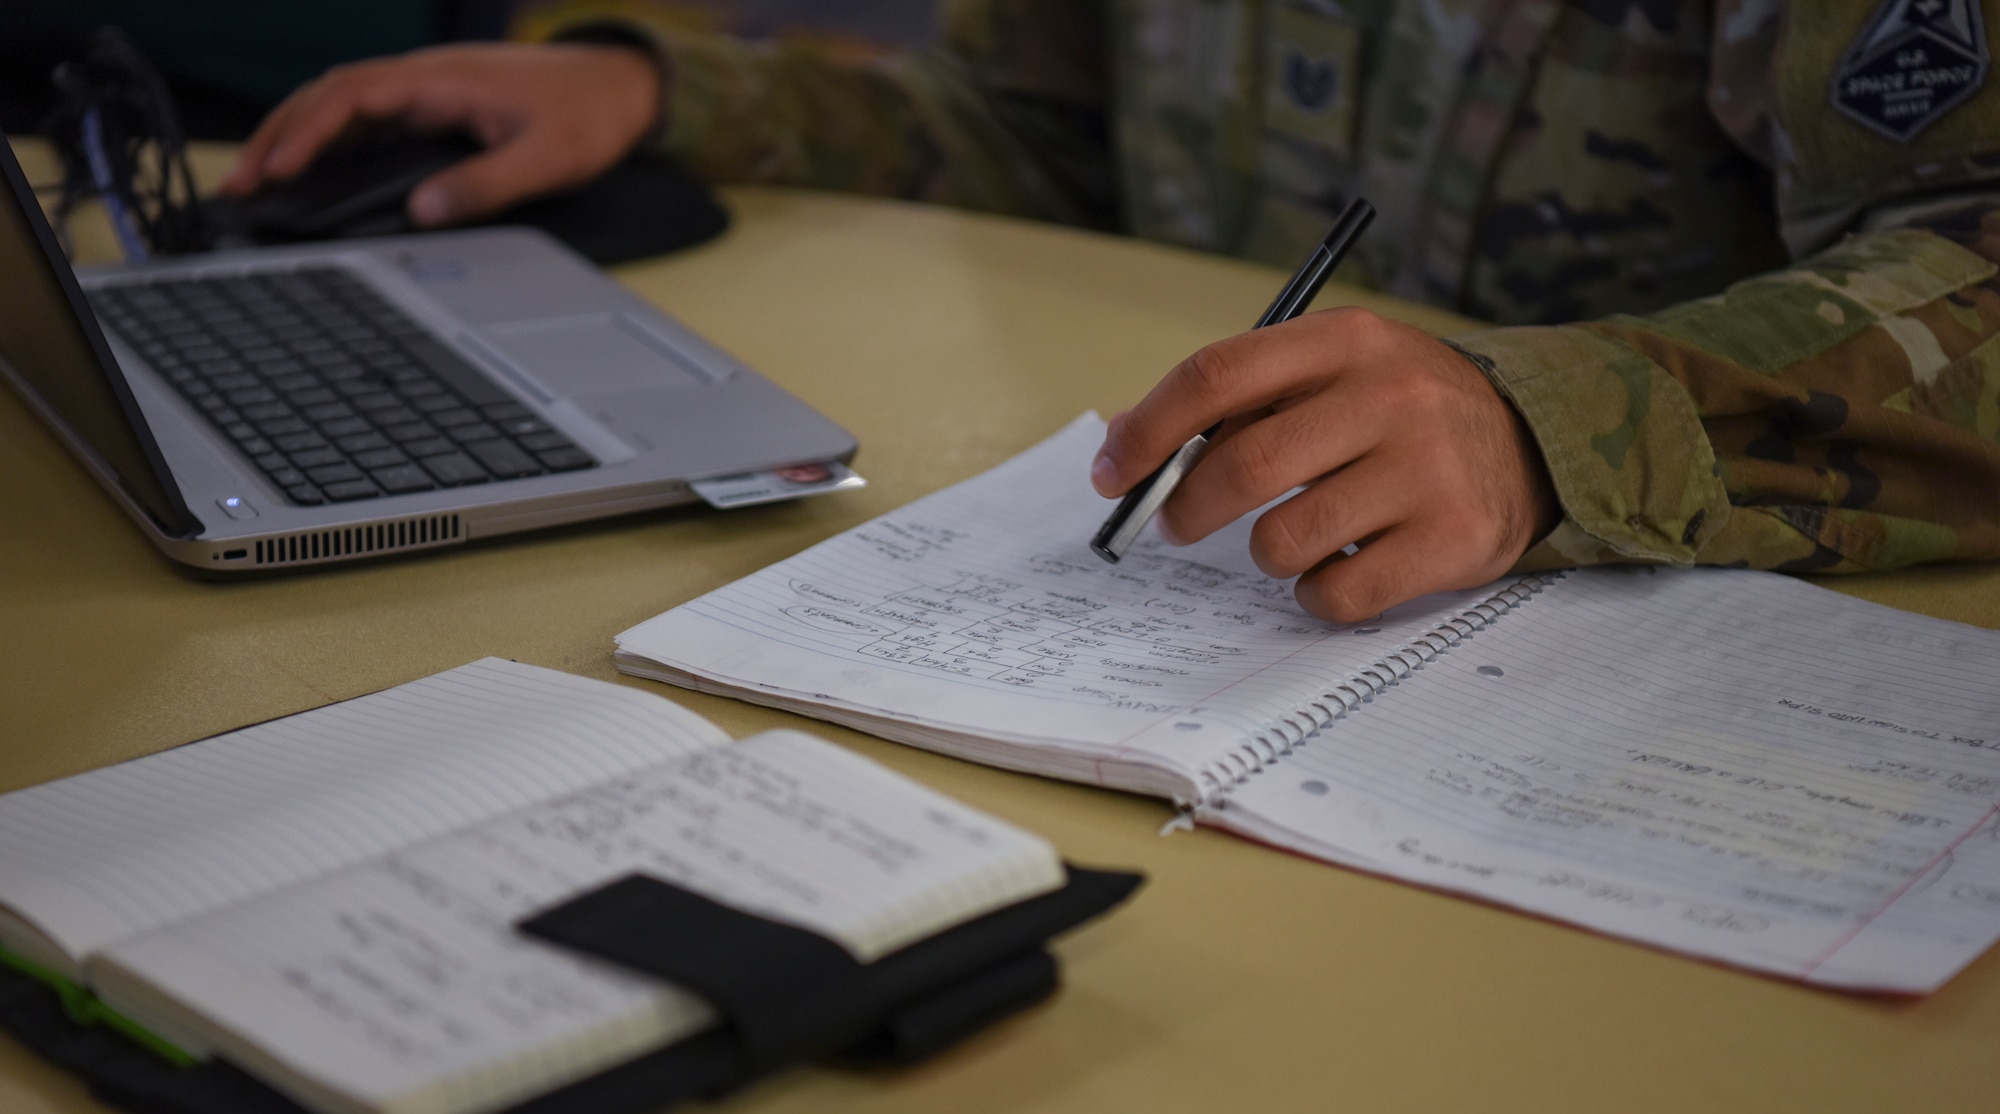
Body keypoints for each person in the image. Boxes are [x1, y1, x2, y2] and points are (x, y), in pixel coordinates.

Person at [220, 0, 2000, 622]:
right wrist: (677, 101)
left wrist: (1545, 420)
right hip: (1224, 611)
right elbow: (1043, 126)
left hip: (1647, 659)